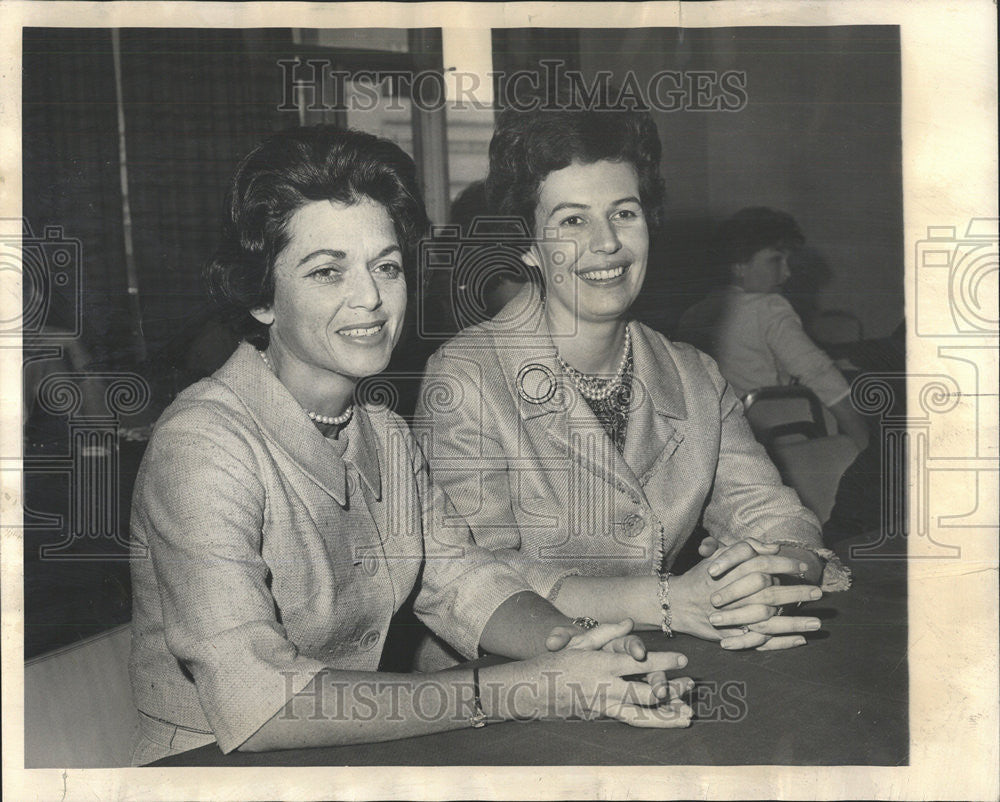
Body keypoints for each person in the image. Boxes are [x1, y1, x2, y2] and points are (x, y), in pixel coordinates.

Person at [128, 126, 695, 765]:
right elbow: (259, 701)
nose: (370, 298)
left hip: (352, 751)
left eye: (386, 266)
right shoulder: (201, 446)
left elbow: (462, 580)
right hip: (212, 768)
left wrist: (574, 646)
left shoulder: (384, 434)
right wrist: (516, 690)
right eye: (326, 271)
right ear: (262, 298)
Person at [414, 105, 850, 670]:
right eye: (572, 221)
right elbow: (477, 573)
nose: (607, 245)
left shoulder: (694, 376)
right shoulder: (466, 376)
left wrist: (765, 583)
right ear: (527, 245)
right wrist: (671, 601)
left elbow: (773, 514)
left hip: (661, 661)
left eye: (624, 213)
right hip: (508, 683)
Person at [676, 207, 869, 453]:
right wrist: (865, 443)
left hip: (717, 442)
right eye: (776, 260)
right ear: (740, 266)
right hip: (782, 437)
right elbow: (820, 374)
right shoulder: (768, 308)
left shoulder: (694, 313)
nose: (787, 273)